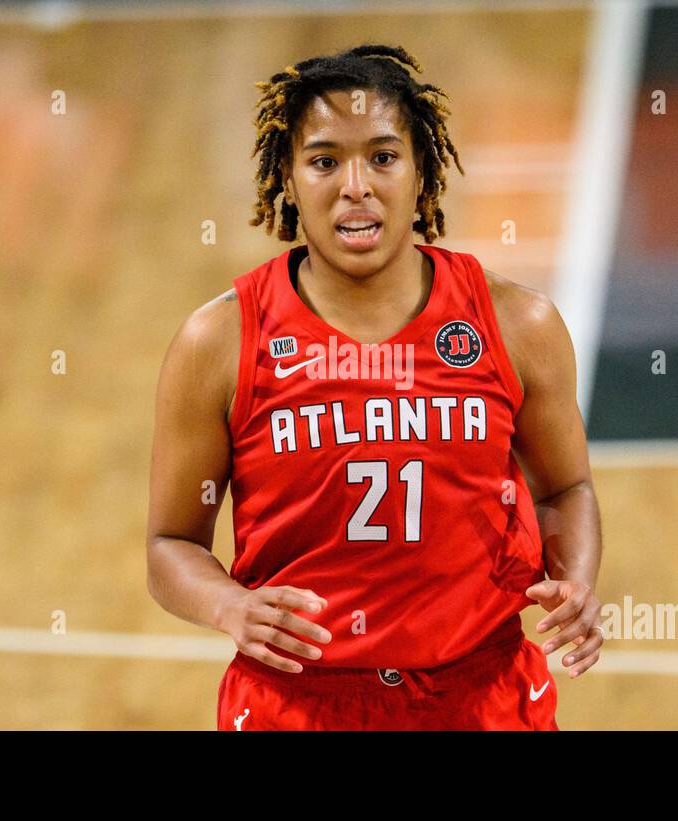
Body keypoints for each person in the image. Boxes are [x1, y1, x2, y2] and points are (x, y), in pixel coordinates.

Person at [147, 44, 603, 730]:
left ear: (422, 174)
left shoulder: (519, 324)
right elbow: (170, 544)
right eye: (325, 160)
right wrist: (229, 605)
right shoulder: (219, 343)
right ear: (288, 179)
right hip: (297, 702)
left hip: (481, 693)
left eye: (383, 157)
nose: (355, 185)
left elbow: (566, 489)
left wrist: (575, 577)